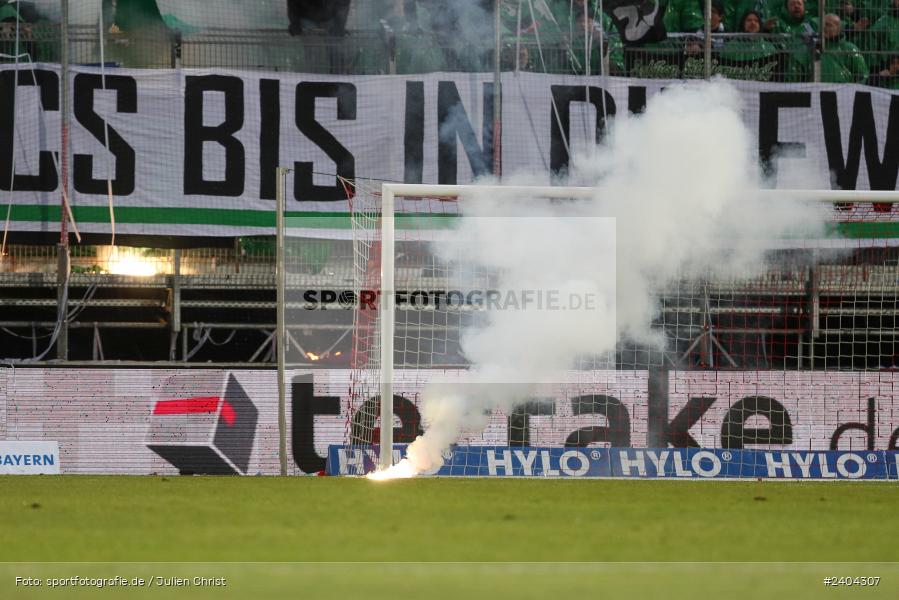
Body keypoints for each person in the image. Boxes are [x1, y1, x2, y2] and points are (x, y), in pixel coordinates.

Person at [771, 0, 819, 81]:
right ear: (786, 8)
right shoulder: (779, 25)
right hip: (784, 73)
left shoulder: (811, 24)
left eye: (799, 3)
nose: (796, 6)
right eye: (792, 4)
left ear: (804, 7)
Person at [820, 13, 869, 82]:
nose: (824, 28)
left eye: (829, 25)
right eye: (823, 25)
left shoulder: (850, 48)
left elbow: (863, 75)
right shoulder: (816, 48)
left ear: (838, 28)